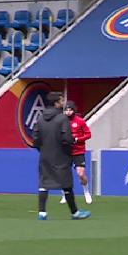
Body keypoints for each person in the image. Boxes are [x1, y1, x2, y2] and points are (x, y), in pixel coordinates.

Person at [33, 92, 91, 220]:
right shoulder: (62, 118)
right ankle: (74, 212)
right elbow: (67, 138)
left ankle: (42, 213)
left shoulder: (41, 118)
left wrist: (42, 150)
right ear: (57, 102)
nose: (63, 102)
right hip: (61, 156)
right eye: (62, 100)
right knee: (66, 184)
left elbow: (35, 138)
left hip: (45, 156)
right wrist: (67, 150)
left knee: (44, 183)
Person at [60, 101, 93, 205]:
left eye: (70, 110)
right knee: (64, 174)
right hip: (65, 151)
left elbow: (88, 134)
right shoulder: (61, 122)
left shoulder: (80, 121)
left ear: (74, 110)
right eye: (66, 110)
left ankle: (86, 191)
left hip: (78, 151)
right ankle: (64, 194)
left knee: (81, 174)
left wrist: (78, 139)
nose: (68, 112)